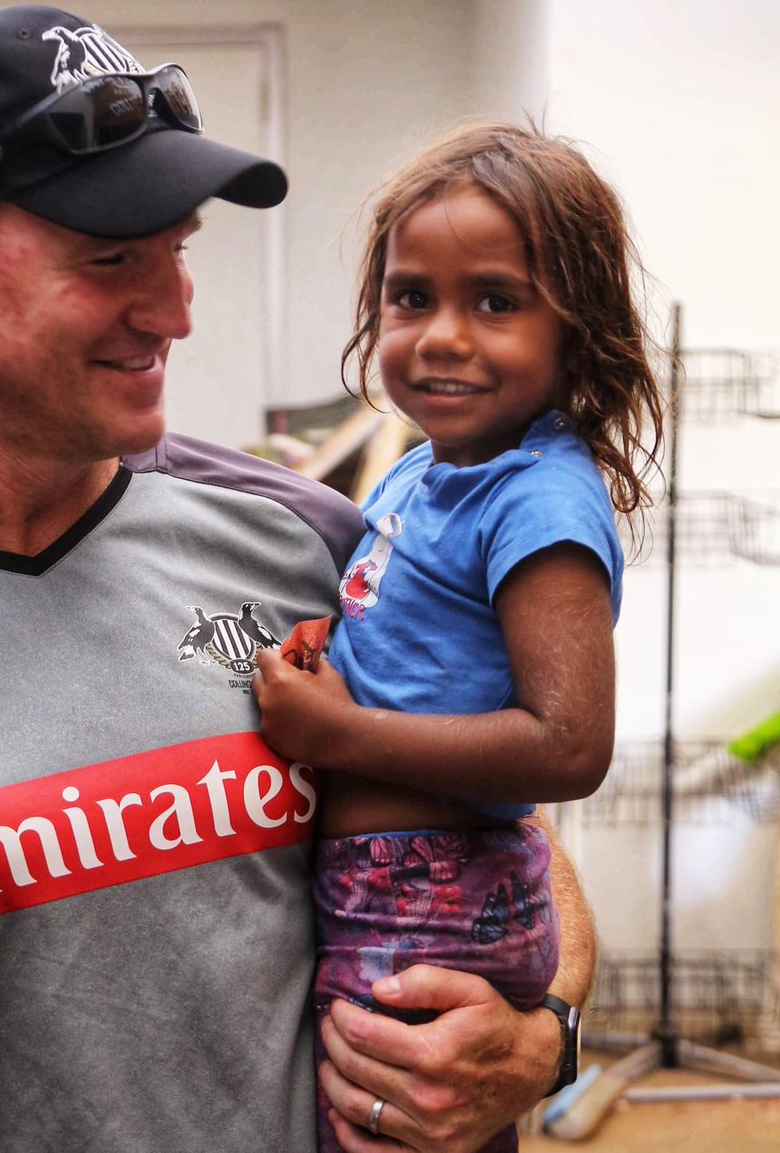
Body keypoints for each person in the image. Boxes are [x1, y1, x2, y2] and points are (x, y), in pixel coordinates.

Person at [0, 12, 595, 1153]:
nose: (176, 310)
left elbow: (521, 846)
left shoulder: (313, 544)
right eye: (112, 261)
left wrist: (545, 1036)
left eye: (177, 248)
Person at [253, 123, 666, 1152]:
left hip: (436, 890)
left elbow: (567, 744)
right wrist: (332, 641)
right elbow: (411, 628)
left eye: (494, 300)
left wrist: (336, 736)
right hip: (386, 881)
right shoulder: (421, 466)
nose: (441, 333)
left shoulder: (541, 500)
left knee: (388, 1122)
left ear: (578, 328)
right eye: (410, 297)